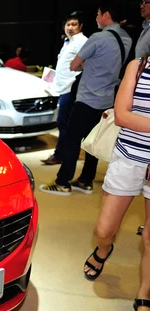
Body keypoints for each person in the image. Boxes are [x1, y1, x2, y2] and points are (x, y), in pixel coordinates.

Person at [82, 56, 150, 311]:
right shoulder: (140, 65)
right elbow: (122, 115)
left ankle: (144, 294)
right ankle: (103, 250)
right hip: (130, 157)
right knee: (104, 229)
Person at [40, 3, 132, 196]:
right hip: (107, 99)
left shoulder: (98, 38)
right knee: (93, 141)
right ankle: (86, 180)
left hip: (88, 98)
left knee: (72, 140)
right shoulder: (126, 39)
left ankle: (63, 182)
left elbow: (74, 65)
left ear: (106, 15)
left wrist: (87, 66)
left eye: (98, 14)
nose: (96, 18)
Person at [41, 12, 88, 166]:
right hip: (63, 88)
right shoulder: (69, 41)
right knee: (63, 124)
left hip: (71, 88)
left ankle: (61, 155)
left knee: (64, 124)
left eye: (74, 24)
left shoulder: (82, 41)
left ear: (81, 26)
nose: (70, 27)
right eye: (68, 24)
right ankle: (62, 154)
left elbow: (85, 64)